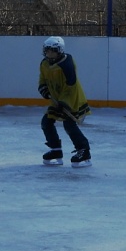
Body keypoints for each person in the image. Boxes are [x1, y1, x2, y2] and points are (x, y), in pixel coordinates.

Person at [38, 36, 92, 167]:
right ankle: (55, 150)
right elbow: (42, 80)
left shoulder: (66, 63)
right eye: (47, 50)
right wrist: (44, 89)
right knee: (46, 123)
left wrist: (64, 102)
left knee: (69, 125)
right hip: (56, 100)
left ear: (59, 51)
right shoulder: (44, 64)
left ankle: (84, 150)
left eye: (52, 50)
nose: (49, 53)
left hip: (72, 100)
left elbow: (71, 86)